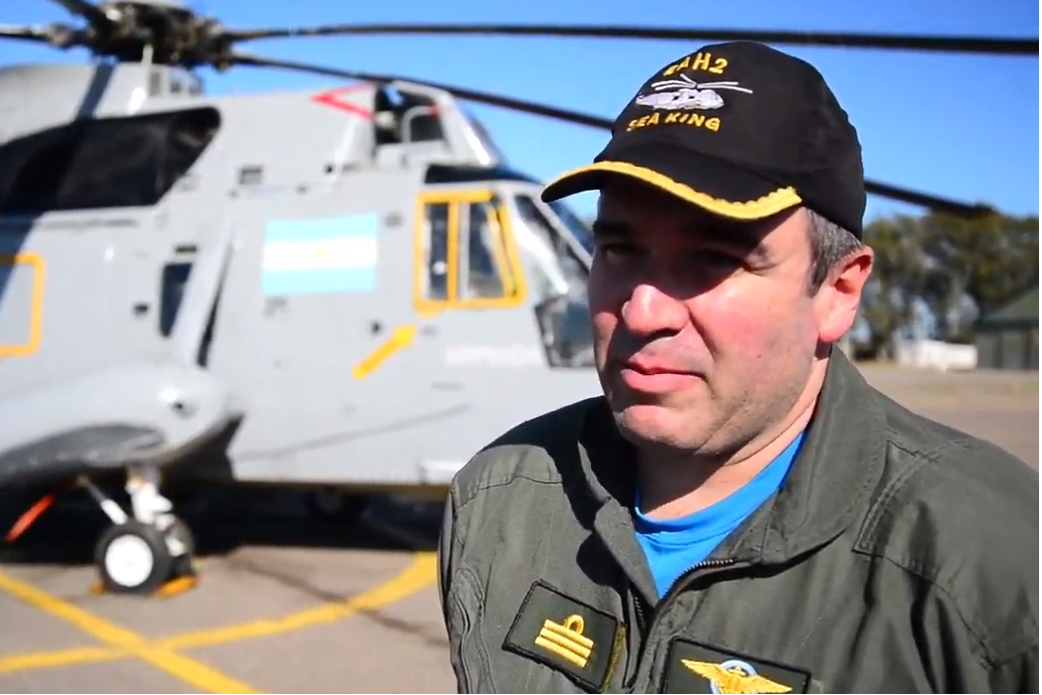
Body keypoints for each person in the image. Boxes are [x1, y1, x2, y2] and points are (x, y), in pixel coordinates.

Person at [436, 40, 1038, 694]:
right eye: (618, 249)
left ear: (838, 291)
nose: (642, 310)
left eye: (714, 259)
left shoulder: (989, 563)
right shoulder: (500, 501)